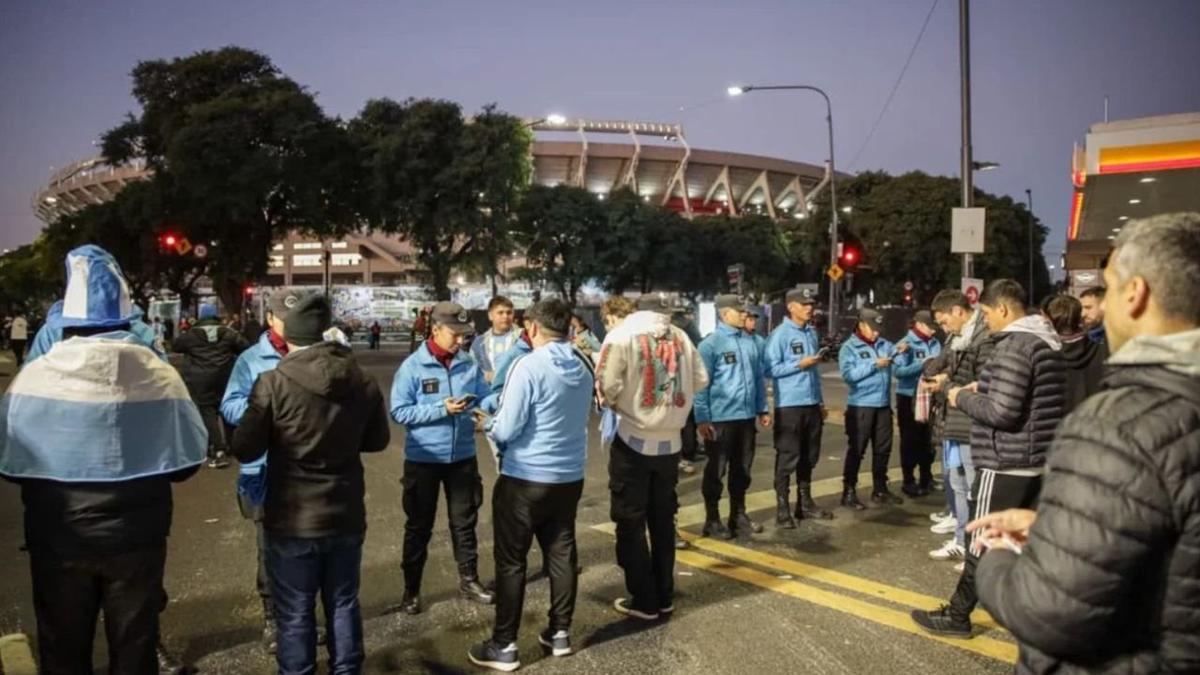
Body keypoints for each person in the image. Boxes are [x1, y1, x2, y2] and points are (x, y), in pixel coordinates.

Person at [970, 213, 1200, 673]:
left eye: (1109, 290)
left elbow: (1047, 609)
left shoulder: (1117, 424)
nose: (1101, 309)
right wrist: (1060, 527)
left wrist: (996, 557)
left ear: (1135, 294)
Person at [0, 246, 206, 674]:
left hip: (58, 538)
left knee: (63, 649)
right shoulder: (157, 370)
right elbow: (187, 462)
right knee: (135, 649)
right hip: (137, 539)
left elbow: (11, 463)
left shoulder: (36, 373)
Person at [230, 293, 391, 675]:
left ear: (291, 337)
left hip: (292, 516)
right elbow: (378, 441)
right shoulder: (362, 380)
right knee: (343, 601)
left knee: (295, 609)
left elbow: (245, 447)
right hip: (346, 512)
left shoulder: (273, 383)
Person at [912, 279, 1066, 638]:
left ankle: (958, 615)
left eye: (985, 313)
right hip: (1035, 459)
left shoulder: (1016, 346)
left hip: (1006, 459)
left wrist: (955, 395)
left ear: (1003, 309)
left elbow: (1002, 413)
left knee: (983, 541)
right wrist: (982, 387)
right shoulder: (1046, 341)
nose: (985, 321)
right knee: (1018, 545)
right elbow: (1025, 397)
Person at [468, 299, 594, 671]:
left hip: (525, 477)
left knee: (511, 562)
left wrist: (486, 423)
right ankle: (559, 633)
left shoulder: (528, 365)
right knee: (561, 553)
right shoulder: (583, 363)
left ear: (534, 328)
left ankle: (504, 645)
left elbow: (507, 426)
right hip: (569, 475)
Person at [596, 294, 708, 622]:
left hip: (633, 439)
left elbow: (605, 385)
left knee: (630, 522)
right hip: (670, 444)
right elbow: (701, 379)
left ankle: (643, 599)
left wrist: (622, 404)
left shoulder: (621, 335)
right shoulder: (682, 336)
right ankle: (664, 593)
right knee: (662, 521)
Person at [390, 301, 494, 615]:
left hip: (462, 456)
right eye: (455, 333)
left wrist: (485, 408)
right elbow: (399, 411)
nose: (461, 339)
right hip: (423, 459)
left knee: (464, 523)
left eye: (465, 333)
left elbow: (485, 395)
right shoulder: (412, 366)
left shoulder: (467, 363)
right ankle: (411, 591)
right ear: (435, 330)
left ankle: (469, 580)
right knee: (419, 526)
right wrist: (440, 409)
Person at [222, 287, 303, 653]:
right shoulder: (251, 359)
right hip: (264, 470)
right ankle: (272, 618)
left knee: (305, 548)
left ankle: (299, 618)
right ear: (270, 318)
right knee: (269, 547)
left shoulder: (313, 355)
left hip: (308, 469)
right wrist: (267, 413)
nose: (293, 325)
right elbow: (231, 405)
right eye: (286, 318)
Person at [920, 290, 995, 565]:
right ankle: (962, 540)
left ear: (957, 311)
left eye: (943, 322)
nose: (943, 328)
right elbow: (941, 367)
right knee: (958, 482)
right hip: (955, 418)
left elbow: (982, 382)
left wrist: (946, 384)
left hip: (971, 421)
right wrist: (942, 377)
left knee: (974, 487)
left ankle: (975, 548)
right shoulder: (958, 337)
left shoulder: (982, 337)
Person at [694, 294, 771, 539]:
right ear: (724, 314)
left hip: (746, 418)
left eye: (744, 311)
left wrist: (762, 408)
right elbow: (700, 385)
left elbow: (758, 380)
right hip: (720, 419)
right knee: (716, 471)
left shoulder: (750, 343)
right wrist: (702, 418)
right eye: (739, 312)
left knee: (743, 470)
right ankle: (712, 519)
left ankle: (738, 515)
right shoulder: (710, 345)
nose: (744, 315)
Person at [764, 287, 831, 527]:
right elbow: (770, 369)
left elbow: (814, 374)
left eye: (811, 304)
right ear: (791, 306)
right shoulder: (780, 335)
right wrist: (798, 365)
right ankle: (783, 507)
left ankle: (805, 504)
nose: (809, 308)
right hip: (790, 406)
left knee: (809, 456)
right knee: (787, 456)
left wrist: (820, 402)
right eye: (804, 304)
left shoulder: (811, 333)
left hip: (811, 404)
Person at [838, 308, 904, 509]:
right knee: (857, 450)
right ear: (862, 325)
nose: (877, 333)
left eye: (879, 329)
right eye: (873, 328)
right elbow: (849, 375)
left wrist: (901, 352)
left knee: (883, 449)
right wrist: (874, 365)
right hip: (861, 406)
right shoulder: (849, 347)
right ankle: (849, 491)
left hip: (883, 405)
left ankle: (880, 488)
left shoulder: (884, 345)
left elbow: (899, 365)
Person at [173, 303, 250, 469]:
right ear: (216, 316)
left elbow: (176, 346)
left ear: (201, 316)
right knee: (227, 408)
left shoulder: (191, 335)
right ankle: (234, 445)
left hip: (200, 379)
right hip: (226, 377)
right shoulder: (229, 333)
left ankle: (218, 448)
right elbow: (245, 347)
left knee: (208, 411)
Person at [893, 310, 942, 497]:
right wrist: (922, 365)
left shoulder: (936, 343)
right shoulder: (905, 345)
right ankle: (908, 480)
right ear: (919, 325)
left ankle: (926, 477)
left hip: (930, 396)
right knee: (910, 440)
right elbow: (898, 372)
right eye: (931, 327)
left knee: (928, 439)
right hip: (909, 396)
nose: (934, 331)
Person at [1045, 294, 1108, 414]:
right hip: (1094, 421)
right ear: (1079, 318)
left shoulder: (1045, 355)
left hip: (1059, 425)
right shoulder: (1103, 349)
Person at [671, 308, 704, 475]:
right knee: (689, 420)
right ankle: (689, 454)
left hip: (671, 380)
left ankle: (676, 456)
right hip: (688, 379)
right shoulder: (689, 327)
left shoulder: (669, 329)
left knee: (675, 423)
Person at [471, 296, 523, 382]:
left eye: (509, 312)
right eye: (500, 313)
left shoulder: (522, 338)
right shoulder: (479, 343)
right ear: (490, 316)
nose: (505, 316)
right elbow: (471, 370)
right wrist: (486, 376)